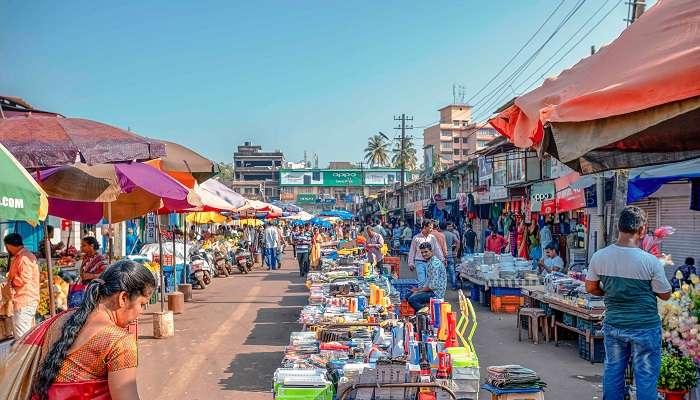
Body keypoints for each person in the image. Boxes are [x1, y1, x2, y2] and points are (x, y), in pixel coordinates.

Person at [0, 260, 155, 400]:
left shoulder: (61, 319)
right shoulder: (119, 341)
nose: (140, 312)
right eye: (142, 304)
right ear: (123, 298)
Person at [586, 206, 671, 400]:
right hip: (645, 327)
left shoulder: (600, 256)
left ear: (618, 227)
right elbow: (665, 295)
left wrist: (609, 291)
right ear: (642, 230)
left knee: (613, 371)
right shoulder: (650, 261)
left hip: (614, 325)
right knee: (646, 376)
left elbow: (591, 288)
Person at [3, 233, 40, 339]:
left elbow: (24, 279)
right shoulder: (23, 256)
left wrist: (11, 281)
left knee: (22, 337)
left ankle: (24, 355)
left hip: (24, 300)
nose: (6, 249)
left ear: (9, 245)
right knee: (24, 335)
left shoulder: (24, 258)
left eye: (6, 247)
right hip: (24, 299)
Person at [408, 242, 447, 312]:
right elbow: (428, 282)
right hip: (431, 290)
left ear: (431, 251)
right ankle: (420, 313)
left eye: (426, 252)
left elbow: (433, 286)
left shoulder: (434, 264)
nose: (424, 254)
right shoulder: (429, 262)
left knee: (412, 299)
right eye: (422, 252)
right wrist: (418, 289)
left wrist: (418, 291)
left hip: (436, 293)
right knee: (408, 295)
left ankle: (425, 313)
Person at [408, 221, 445, 286]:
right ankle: (421, 294)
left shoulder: (432, 238)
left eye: (432, 228)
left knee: (430, 282)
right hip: (419, 262)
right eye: (430, 228)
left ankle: (426, 295)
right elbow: (412, 251)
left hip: (431, 262)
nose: (431, 230)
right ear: (425, 227)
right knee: (422, 281)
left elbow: (437, 249)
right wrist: (411, 263)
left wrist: (442, 259)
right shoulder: (416, 238)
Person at [444, 222, 461, 290]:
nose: (450, 227)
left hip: (443, 255)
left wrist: (456, 251)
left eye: (451, 226)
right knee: (452, 271)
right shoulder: (451, 234)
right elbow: (458, 242)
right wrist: (456, 251)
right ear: (446, 227)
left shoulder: (441, 234)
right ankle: (454, 285)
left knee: (444, 271)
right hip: (450, 254)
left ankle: (443, 286)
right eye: (449, 226)